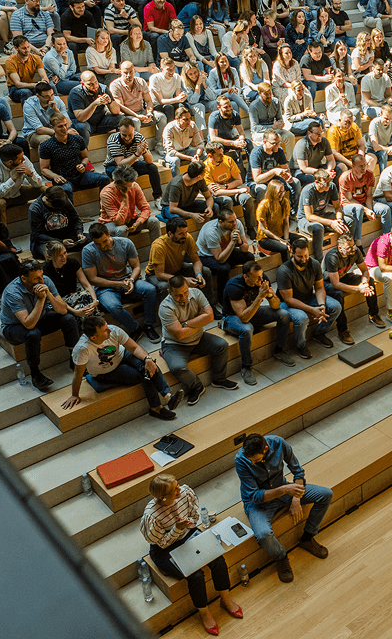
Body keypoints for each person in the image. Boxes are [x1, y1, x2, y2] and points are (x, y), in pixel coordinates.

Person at [141, 474, 241, 634]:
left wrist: (187, 524)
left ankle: (225, 599)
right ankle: (204, 613)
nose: (179, 489)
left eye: (177, 484)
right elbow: (161, 543)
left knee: (217, 559)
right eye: (174, 490)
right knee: (195, 575)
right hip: (165, 549)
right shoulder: (152, 515)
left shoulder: (185, 493)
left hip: (188, 534)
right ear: (163, 497)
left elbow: (194, 518)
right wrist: (177, 529)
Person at [235, 432, 332, 585]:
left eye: (256, 459)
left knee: (326, 494)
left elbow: (298, 472)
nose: (252, 463)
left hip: (283, 490)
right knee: (263, 534)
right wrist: (286, 490)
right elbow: (255, 496)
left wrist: (296, 499)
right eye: (250, 460)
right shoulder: (241, 460)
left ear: (265, 449)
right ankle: (281, 557)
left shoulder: (278, 443)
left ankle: (307, 538)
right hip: (258, 503)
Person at [67, 314, 180, 420]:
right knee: (143, 376)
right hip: (106, 371)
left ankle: (169, 397)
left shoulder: (114, 330)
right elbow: (78, 374)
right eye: (105, 330)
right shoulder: (82, 349)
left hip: (122, 354)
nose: (109, 330)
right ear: (93, 337)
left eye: (107, 326)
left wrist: (148, 359)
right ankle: (156, 408)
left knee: (149, 365)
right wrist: (74, 395)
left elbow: (134, 348)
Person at [0, 259, 80, 389]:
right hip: (13, 327)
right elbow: (28, 324)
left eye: (41, 275)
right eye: (36, 278)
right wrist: (41, 299)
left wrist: (49, 295)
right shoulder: (12, 292)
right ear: (23, 279)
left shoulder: (46, 281)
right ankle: (35, 374)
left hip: (39, 318)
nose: (42, 280)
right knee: (33, 334)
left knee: (69, 319)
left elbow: (63, 310)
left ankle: (74, 359)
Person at [159, 270, 231, 403]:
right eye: (178, 295)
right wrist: (200, 320)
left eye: (185, 292)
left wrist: (186, 324)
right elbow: (180, 335)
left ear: (188, 287)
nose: (184, 297)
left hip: (198, 338)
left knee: (222, 345)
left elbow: (210, 317)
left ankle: (218, 379)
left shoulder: (196, 293)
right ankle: (197, 387)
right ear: (169, 293)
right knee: (178, 368)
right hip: (174, 344)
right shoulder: (165, 307)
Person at [82, 223, 162, 342]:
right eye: (97, 243)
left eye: (104, 241)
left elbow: (136, 267)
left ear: (109, 234)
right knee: (113, 306)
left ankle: (149, 325)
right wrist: (118, 284)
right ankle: (135, 328)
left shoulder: (125, 243)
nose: (102, 246)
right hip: (104, 286)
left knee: (150, 290)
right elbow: (93, 279)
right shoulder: (88, 251)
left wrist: (131, 280)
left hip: (126, 279)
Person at [220, 259, 295, 384]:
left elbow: (276, 306)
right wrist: (260, 297)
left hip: (252, 310)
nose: (261, 280)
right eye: (256, 278)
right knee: (247, 328)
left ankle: (279, 351)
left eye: (261, 276)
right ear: (245, 277)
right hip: (232, 317)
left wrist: (270, 295)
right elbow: (244, 318)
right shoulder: (234, 286)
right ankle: (246, 367)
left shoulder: (262, 278)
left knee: (284, 314)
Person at [277, 237, 342, 357]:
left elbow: (319, 288)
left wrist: (321, 305)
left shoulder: (314, 264)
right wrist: (311, 309)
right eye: (300, 257)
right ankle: (300, 346)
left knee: (336, 307)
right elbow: (288, 299)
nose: (304, 259)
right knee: (302, 318)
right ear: (292, 253)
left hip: (308, 297)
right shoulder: (284, 270)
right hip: (287, 304)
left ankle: (319, 333)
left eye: (306, 255)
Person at [323, 233, 379, 341]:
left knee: (370, 281)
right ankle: (342, 330)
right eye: (349, 248)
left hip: (342, 277)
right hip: (326, 283)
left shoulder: (355, 251)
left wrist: (364, 282)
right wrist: (358, 288)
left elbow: (364, 271)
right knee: (338, 295)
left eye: (353, 245)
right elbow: (336, 284)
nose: (352, 249)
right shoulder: (332, 257)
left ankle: (374, 314)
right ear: (340, 248)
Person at [39, 113, 110, 194]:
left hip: (80, 175)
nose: (64, 128)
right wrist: (55, 176)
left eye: (65, 125)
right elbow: (44, 169)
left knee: (105, 178)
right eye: (60, 126)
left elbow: (85, 157)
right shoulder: (46, 145)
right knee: (66, 190)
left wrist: (83, 165)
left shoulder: (77, 139)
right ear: (52, 127)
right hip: (63, 178)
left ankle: (104, 205)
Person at [0, 142, 46, 224]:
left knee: (45, 190)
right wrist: (13, 178)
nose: (23, 159)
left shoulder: (24, 159)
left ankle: (48, 222)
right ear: (10, 161)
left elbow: (38, 185)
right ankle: (2, 234)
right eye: (20, 158)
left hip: (15, 192)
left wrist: (30, 174)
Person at [99, 164, 161, 238]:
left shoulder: (134, 185)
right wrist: (125, 201)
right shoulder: (106, 193)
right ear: (116, 182)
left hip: (130, 219)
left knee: (154, 221)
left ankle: (155, 249)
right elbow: (119, 222)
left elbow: (145, 208)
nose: (128, 190)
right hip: (111, 223)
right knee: (122, 230)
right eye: (124, 188)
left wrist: (138, 222)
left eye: (129, 186)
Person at [28, 185, 86, 258]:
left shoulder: (64, 201)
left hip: (67, 236)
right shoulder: (35, 209)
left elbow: (76, 220)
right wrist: (60, 242)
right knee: (52, 252)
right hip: (47, 241)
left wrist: (79, 232)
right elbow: (38, 235)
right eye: (54, 207)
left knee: (94, 238)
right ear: (46, 199)